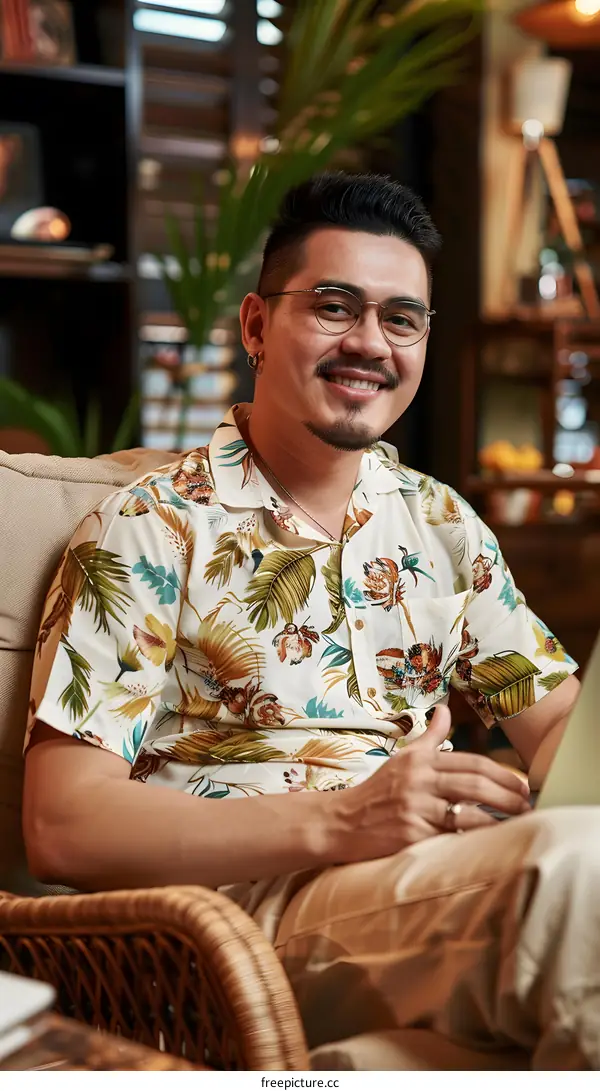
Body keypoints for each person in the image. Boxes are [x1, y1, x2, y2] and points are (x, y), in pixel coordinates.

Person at [23, 172, 597, 1069]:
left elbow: (558, 718)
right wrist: (343, 820)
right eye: (335, 307)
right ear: (256, 325)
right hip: (253, 919)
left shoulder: (439, 522)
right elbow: (62, 823)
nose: (370, 342)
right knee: (581, 874)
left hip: (434, 884)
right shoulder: (151, 524)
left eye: (401, 319)